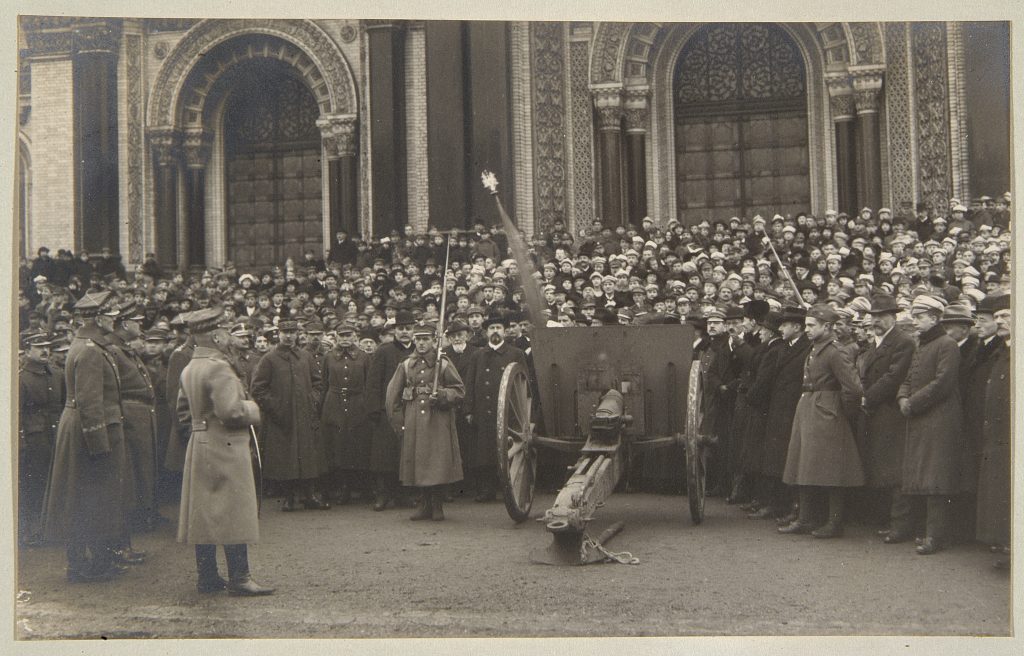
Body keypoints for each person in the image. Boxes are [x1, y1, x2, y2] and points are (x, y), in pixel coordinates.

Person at [176, 306, 273, 596]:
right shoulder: (219, 366)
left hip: (200, 442)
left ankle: (207, 577)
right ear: (216, 337)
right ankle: (240, 578)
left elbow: (182, 410)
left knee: (204, 512)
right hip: (226, 443)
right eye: (226, 331)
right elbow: (231, 412)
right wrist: (253, 409)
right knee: (233, 510)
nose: (230, 336)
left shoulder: (190, 366)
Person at [43, 291, 130, 582]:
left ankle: (89, 562)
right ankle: (87, 566)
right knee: (88, 499)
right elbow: (90, 400)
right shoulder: (92, 350)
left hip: (81, 428)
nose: (115, 319)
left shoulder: (86, 343)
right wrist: (99, 444)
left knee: (81, 498)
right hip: (89, 432)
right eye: (111, 315)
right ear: (99, 318)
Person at [884, 294, 964, 555]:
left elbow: (943, 383)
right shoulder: (924, 344)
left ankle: (936, 536)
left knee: (936, 480)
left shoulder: (947, 344)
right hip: (921, 417)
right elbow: (908, 377)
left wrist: (912, 402)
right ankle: (920, 530)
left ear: (935, 317)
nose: (915, 322)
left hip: (939, 419)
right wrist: (902, 397)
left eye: (920, 317)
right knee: (921, 476)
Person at [779, 304, 865, 538]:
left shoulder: (835, 352)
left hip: (827, 411)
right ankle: (805, 519)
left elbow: (854, 389)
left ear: (826, 327)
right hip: (809, 408)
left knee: (832, 471)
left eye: (811, 325)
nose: (806, 330)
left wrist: (840, 411)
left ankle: (834, 523)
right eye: (805, 325)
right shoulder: (816, 347)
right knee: (804, 465)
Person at [385, 322, 465, 520]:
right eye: (418, 339)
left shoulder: (443, 363)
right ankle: (424, 504)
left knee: (436, 463)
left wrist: (443, 395)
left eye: (425, 339)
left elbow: (459, 390)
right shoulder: (405, 365)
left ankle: (437, 505)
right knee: (418, 463)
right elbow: (391, 396)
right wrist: (399, 422)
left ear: (433, 341)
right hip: (414, 419)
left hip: (437, 418)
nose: (421, 343)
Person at [250, 319, 327, 511]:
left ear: (297, 334)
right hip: (281, 417)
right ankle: (289, 497)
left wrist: (313, 400)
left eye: (292, 331)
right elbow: (258, 389)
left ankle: (309, 495)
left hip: (305, 415)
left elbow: (318, 382)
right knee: (286, 458)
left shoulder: (305, 356)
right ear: (279, 334)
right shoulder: (269, 358)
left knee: (308, 456)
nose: (288, 335)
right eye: (285, 332)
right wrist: (276, 407)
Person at [857, 294, 915, 528]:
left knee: (894, 472)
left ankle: (899, 523)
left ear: (894, 317)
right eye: (873, 317)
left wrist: (866, 398)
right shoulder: (876, 343)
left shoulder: (903, 342)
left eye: (881, 316)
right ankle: (883, 519)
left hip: (890, 412)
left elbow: (893, 377)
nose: (876, 321)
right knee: (879, 467)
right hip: (875, 411)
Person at [460, 312, 528, 501]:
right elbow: (470, 383)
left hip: (508, 410)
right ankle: (486, 490)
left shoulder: (516, 354)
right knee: (484, 452)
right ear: (486, 333)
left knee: (508, 448)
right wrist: (468, 409)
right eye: (491, 328)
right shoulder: (478, 355)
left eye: (498, 328)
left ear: (505, 332)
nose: (495, 332)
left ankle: (510, 489)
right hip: (483, 409)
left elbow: (524, 384)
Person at [758, 305, 810, 522]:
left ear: (797, 327)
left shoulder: (806, 348)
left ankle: (791, 507)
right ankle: (777, 504)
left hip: (793, 410)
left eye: (785, 324)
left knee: (791, 459)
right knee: (777, 459)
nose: (781, 328)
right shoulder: (786, 347)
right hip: (779, 409)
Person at [365, 310, 417, 510]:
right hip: (387, 409)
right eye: (401, 329)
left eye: (408, 329)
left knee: (406, 454)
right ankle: (383, 494)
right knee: (384, 456)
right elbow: (373, 383)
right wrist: (375, 409)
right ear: (395, 330)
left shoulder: (417, 351)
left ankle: (404, 494)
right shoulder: (384, 351)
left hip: (410, 409)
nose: (405, 332)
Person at [18, 333, 65, 546]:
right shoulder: (20, 378)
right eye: (38, 347)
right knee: (35, 483)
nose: (45, 350)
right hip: (34, 438)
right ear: (27, 351)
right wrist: (22, 443)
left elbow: (64, 405)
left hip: (56, 435)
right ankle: (33, 530)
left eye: (46, 346)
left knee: (56, 481)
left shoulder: (57, 374)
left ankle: (54, 527)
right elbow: (16, 414)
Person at [975, 294, 1011, 569]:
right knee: (1000, 493)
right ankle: (1008, 549)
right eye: (996, 317)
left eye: (1005, 316)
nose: (999, 322)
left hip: (1012, 434)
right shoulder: (1002, 351)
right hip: (996, 433)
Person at [319, 322, 371, 504]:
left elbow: (369, 384)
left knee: (357, 445)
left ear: (355, 336)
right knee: (336, 446)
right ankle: (341, 488)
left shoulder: (364, 357)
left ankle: (359, 487)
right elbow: (324, 383)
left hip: (358, 403)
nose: (345, 339)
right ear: (336, 337)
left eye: (349, 335)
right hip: (334, 404)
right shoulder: (329, 357)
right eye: (342, 336)